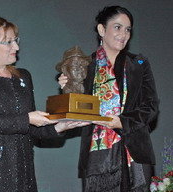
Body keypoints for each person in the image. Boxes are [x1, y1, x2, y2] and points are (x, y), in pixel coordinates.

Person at [0, 16, 89, 192]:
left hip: (21, 171)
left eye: (16, 40)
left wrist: (59, 127)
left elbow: (30, 127)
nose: (16, 47)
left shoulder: (23, 77)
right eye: (8, 42)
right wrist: (27, 118)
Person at [58, 6, 159, 192]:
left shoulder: (139, 63)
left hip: (134, 152)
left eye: (128, 29)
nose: (124, 34)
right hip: (98, 153)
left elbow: (151, 107)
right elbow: (79, 111)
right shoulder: (83, 66)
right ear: (101, 30)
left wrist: (122, 122)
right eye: (118, 27)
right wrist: (68, 89)